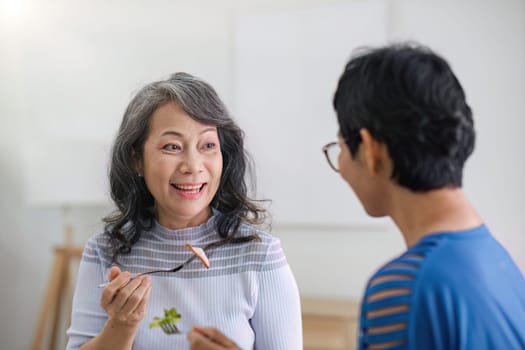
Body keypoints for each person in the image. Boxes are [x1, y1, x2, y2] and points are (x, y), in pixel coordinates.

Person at [66, 72, 303, 350]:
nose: (193, 165)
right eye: (172, 147)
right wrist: (122, 325)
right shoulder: (106, 252)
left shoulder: (260, 256)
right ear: (136, 159)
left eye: (208, 146)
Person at [322, 42, 525, 349]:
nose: (342, 166)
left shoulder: (404, 288)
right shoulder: (502, 265)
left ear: (369, 149)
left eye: (339, 147)